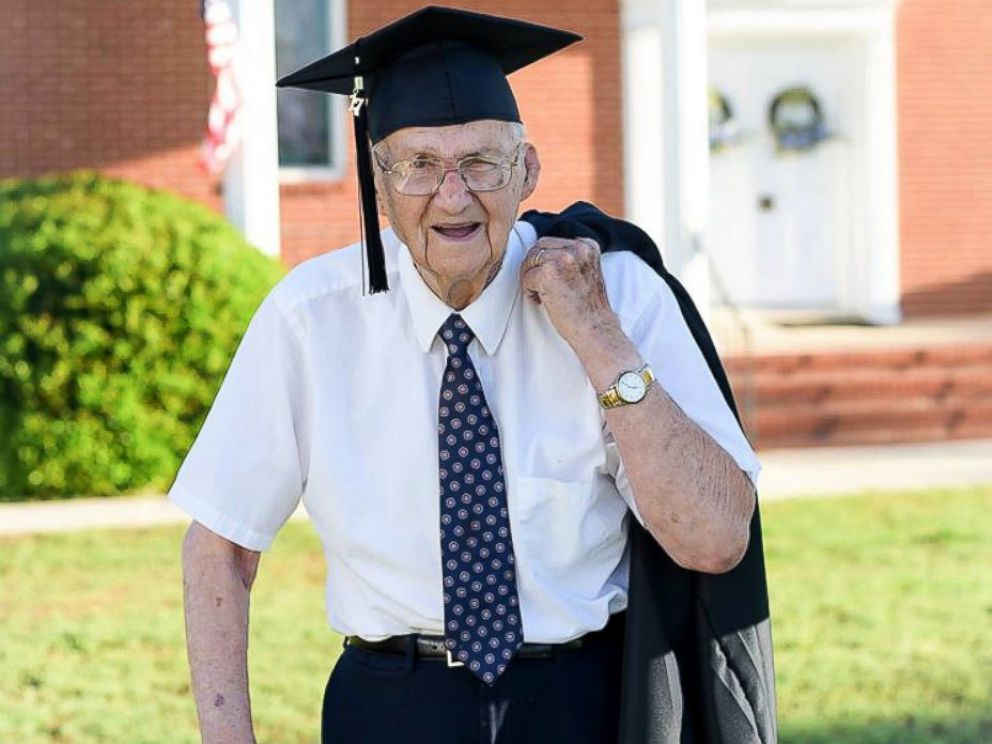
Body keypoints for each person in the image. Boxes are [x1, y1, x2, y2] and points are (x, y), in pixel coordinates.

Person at [170, 6, 774, 743]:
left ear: (528, 171)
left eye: (482, 163)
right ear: (379, 182)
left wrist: (601, 341)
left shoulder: (620, 295)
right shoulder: (310, 317)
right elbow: (220, 546)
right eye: (419, 165)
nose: (453, 196)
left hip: (584, 704)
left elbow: (714, 541)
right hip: (388, 708)